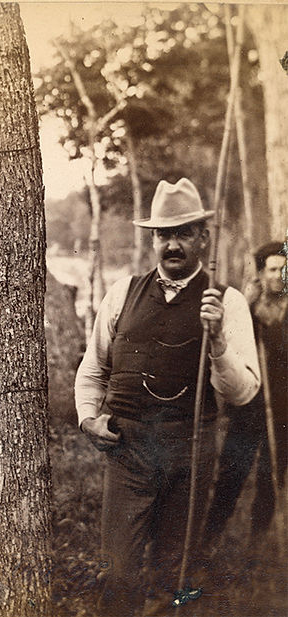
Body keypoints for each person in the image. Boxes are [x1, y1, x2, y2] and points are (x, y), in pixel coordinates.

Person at [75, 178, 260, 616]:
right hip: (129, 452)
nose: (172, 244)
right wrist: (88, 419)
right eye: (163, 235)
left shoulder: (227, 302)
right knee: (118, 572)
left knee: (173, 574)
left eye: (182, 233)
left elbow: (243, 392)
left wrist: (216, 341)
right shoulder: (122, 293)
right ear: (152, 239)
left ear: (203, 237)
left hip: (189, 452)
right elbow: (92, 369)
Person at [203, 240, 287, 544]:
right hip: (249, 406)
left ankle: (257, 540)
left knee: (271, 475)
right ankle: (209, 538)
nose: (279, 275)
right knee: (232, 472)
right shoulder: (247, 306)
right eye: (273, 269)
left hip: (282, 409)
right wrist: (249, 308)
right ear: (262, 274)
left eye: (284, 269)